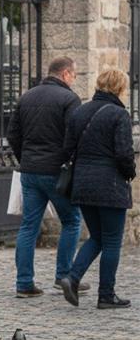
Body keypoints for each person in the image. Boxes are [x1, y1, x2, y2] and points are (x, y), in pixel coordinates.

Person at [8, 55, 86, 297]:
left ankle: (24, 283)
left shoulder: (27, 97)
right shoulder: (69, 99)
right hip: (56, 172)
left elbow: (13, 134)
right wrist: (68, 162)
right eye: (74, 75)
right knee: (71, 221)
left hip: (30, 172)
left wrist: (26, 158)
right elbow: (74, 136)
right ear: (65, 73)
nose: (74, 80)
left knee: (28, 226)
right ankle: (63, 276)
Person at [58, 69, 136, 310]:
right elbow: (124, 153)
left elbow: (67, 149)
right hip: (110, 185)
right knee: (112, 241)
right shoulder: (119, 114)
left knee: (97, 237)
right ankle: (106, 295)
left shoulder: (80, 112)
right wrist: (130, 172)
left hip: (83, 184)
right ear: (120, 87)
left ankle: (72, 277)